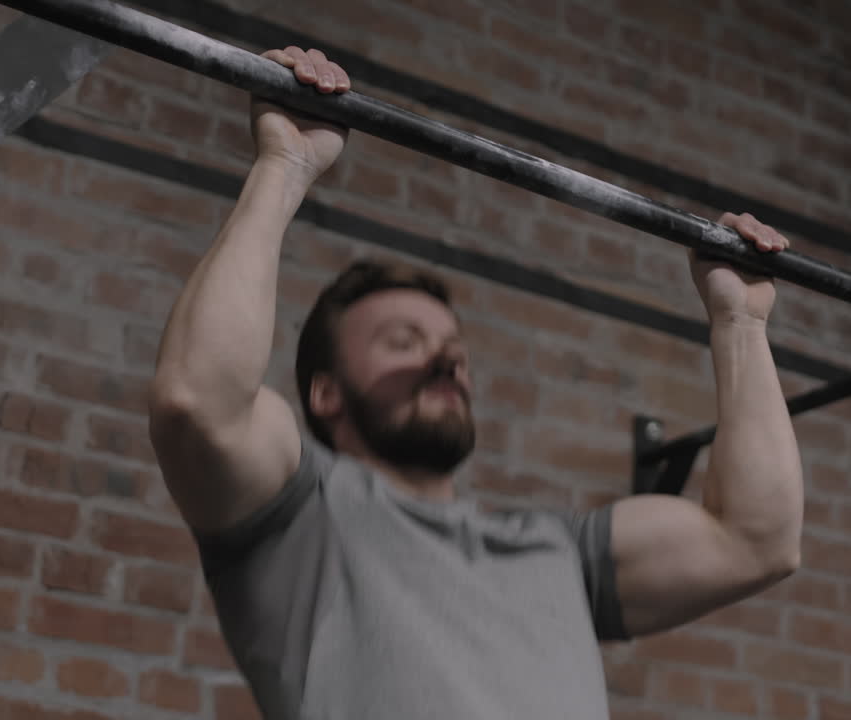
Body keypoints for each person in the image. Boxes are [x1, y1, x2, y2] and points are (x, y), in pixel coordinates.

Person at [148, 46, 803, 720]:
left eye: (452, 349)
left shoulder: (557, 555)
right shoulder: (299, 520)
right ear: (326, 393)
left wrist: (740, 321)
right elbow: (197, 401)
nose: (444, 361)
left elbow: (758, 538)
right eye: (403, 342)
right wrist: (283, 167)